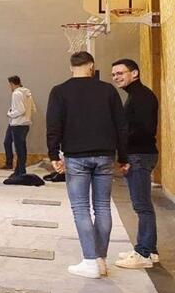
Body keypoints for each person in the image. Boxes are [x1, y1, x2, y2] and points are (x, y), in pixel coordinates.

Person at [46, 51, 129, 279]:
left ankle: (90, 260)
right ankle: (100, 259)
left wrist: (54, 154)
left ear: (71, 67)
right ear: (91, 66)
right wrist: (123, 157)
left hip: (76, 156)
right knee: (102, 207)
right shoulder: (108, 90)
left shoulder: (59, 91)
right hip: (104, 156)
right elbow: (121, 126)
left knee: (80, 208)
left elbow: (54, 124)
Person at [110, 59, 160, 270]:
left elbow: (142, 130)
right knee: (143, 205)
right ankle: (151, 250)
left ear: (135, 73)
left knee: (142, 206)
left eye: (121, 73)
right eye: (114, 75)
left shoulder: (141, 97)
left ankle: (144, 253)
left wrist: (126, 157)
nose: (116, 77)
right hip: (139, 154)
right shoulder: (136, 96)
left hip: (139, 155)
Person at [2, 76, 35, 176]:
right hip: (24, 124)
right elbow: (33, 108)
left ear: (12, 84)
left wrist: (10, 114)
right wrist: (27, 118)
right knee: (18, 146)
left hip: (17, 124)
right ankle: (17, 168)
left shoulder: (16, 93)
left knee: (19, 148)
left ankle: (20, 171)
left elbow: (20, 110)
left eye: (9, 85)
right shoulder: (27, 93)